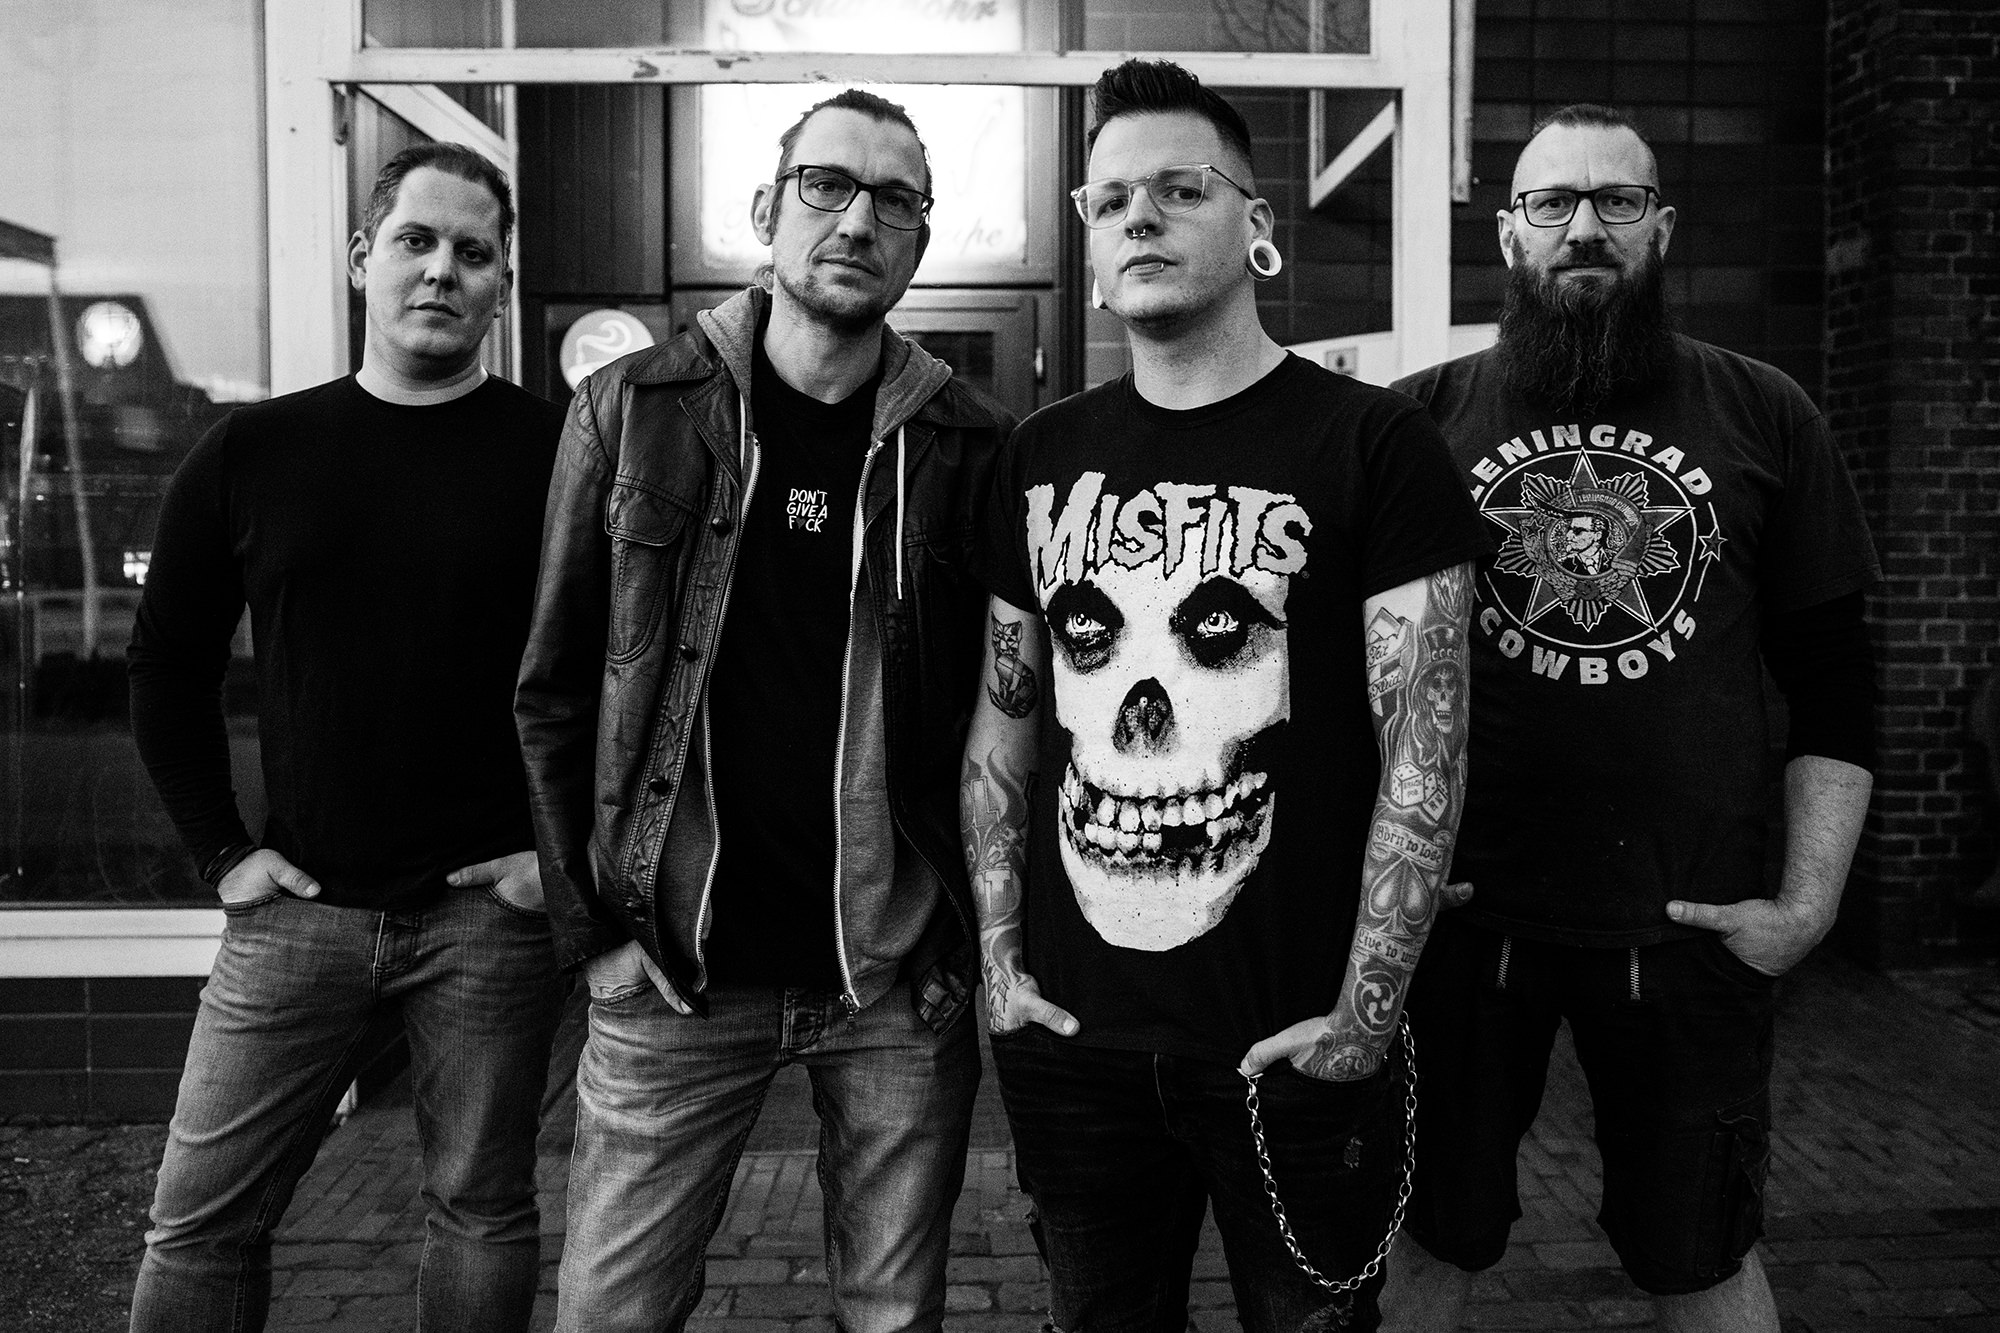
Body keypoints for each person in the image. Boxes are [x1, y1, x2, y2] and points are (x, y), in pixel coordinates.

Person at [961, 59, 1488, 1333]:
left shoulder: (1372, 445)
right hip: (1074, 1045)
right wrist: (999, 965)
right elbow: (1006, 722)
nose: (1138, 216)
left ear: (1255, 224)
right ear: (1092, 251)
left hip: (1291, 1046)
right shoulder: (1039, 456)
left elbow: (1424, 751)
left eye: (1178, 189)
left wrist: (1362, 1016)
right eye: (1108, 200)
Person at [514, 89, 1012, 1333]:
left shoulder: (968, 444)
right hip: (674, 974)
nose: (857, 220)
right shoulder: (628, 410)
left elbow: (1006, 714)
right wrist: (596, 934)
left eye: (894, 199)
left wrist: (964, 941)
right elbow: (554, 690)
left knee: (891, 1317)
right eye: (825, 185)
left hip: (890, 982)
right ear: (764, 210)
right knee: (611, 1315)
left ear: (920, 238)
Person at [1381, 104, 1878, 1333]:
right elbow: (1349, 684)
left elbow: (1832, 681)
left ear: (1660, 227)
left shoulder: (1763, 411)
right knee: (1426, 1244)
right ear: (1508, 233)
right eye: (1551, 202)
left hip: (1689, 929)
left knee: (1699, 1254)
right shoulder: (1413, 422)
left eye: (1616, 200)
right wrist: (1381, 888)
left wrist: (1807, 906)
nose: (1583, 228)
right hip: (1462, 928)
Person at [125, 142, 567, 1333]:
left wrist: (556, 860)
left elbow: (621, 680)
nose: (442, 271)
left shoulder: (561, 456)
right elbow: (165, 665)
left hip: (490, 918)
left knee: (480, 1209)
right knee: (200, 1221)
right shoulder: (253, 451)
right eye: (416, 242)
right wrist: (223, 852)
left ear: (501, 282)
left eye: (472, 252)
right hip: (297, 915)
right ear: (364, 257)